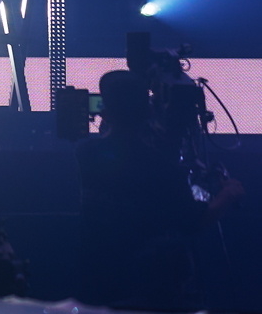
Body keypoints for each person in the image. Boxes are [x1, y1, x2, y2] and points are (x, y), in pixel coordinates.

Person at [78, 69, 243, 309]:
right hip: (148, 288)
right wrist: (228, 194)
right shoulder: (159, 166)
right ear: (148, 111)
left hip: (99, 281)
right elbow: (193, 221)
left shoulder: (85, 154)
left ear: (107, 111)